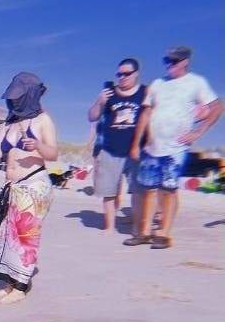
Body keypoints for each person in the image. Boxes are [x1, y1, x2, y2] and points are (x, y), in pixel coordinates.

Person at [125, 45, 222, 249]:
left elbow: (216, 106)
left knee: (168, 189)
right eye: (166, 61)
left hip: (175, 148)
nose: (169, 65)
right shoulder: (158, 84)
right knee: (148, 189)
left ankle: (163, 234)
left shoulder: (196, 83)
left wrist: (199, 132)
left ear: (185, 62)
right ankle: (143, 233)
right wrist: (136, 144)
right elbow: (145, 114)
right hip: (152, 147)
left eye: (174, 61)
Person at [0, 72, 59, 305]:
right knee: (8, 236)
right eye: (12, 98)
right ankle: (11, 282)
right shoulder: (9, 124)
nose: (14, 102)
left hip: (34, 184)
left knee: (25, 237)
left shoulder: (43, 121)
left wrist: (37, 145)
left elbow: (53, 154)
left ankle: (21, 286)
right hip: (13, 187)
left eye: (18, 98)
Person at [87, 58, 148, 235]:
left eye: (126, 74)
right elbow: (92, 117)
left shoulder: (145, 92)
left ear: (136, 73)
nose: (122, 77)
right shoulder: (109, 93)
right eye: (119, 74)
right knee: (109, 191)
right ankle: (109, 227)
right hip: (110, 149)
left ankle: (137, 227)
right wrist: (99, 102)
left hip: (136, 150)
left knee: (137, 191)